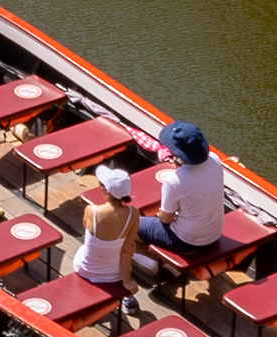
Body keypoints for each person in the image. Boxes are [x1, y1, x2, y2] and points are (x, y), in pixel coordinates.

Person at [139, 121, 232, 267]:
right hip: (214, 235)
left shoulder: (174, 181)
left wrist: (160, 214)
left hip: (185, 241)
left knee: (129, 224)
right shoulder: (214, 160)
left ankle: (149, 262)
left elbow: (166, 219)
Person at [68, 163, 137, 299]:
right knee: (130, 249)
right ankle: (129, 301)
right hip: (113, 274)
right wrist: (127, 281)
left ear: (107, 191)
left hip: (84, 268)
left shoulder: (91, 210)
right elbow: (126, 251)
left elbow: (85, 231)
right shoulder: (133, 213)